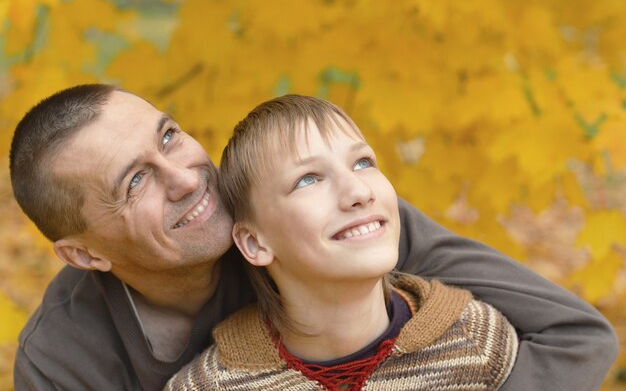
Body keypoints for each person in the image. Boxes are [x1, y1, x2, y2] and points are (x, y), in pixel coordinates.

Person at [9, 84, 617, 391]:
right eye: (136, 180)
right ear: (85, 253)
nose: (186, 177)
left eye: (169, 137)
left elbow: (574, 337)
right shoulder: (63, 360)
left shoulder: (330, 227)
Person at [166, 94, 520, 390]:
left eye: (363, 162)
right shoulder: (208, 386)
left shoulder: (477, 344)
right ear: (255, 243)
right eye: (308, 179)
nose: (358, 191)